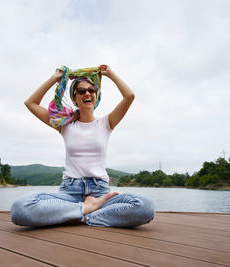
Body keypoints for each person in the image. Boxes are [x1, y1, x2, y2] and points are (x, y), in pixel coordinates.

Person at [10, 65, 155, 227]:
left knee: (145, 207)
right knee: (20, 209)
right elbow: (30, 103)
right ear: (75, 98)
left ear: (96, 95)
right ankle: (86, 209)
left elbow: (129, 96)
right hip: (69, 193)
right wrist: (55, 78)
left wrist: (110, 74)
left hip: (100, 193)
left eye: (91, 90)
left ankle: (80, 215)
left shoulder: (106, 123)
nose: (87, 93)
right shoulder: (64, 124)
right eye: (81, 91)